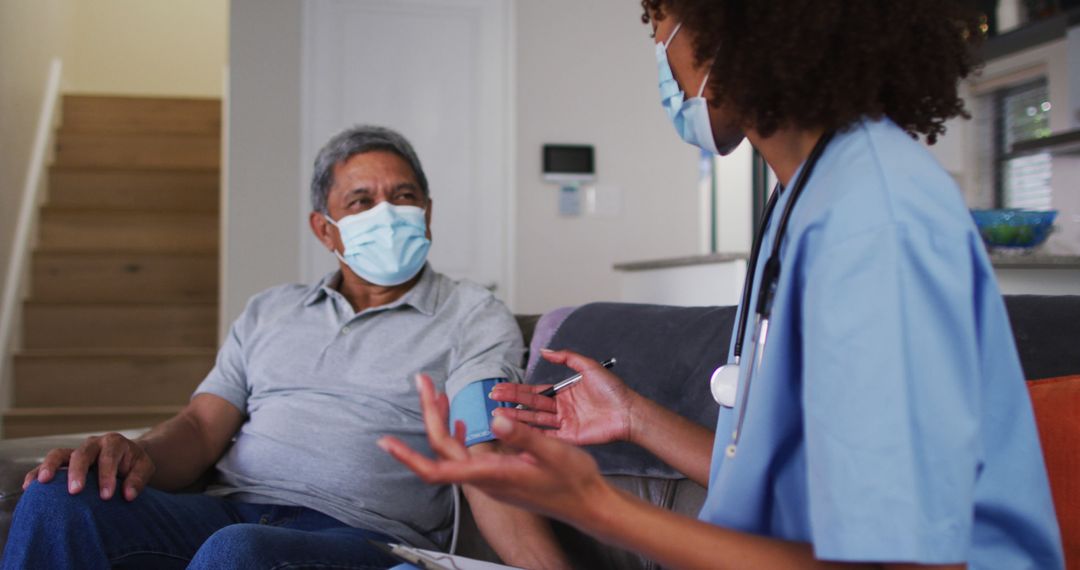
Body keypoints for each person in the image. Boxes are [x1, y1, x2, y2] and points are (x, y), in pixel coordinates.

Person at [378, 2, 1066, 569]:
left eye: (660, 26)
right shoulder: (809, 198)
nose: (663, 56)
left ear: (733, 21)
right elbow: (784, 492)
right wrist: (634, 416)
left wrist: (595, 506)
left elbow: (899, 562)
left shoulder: (874, 222)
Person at [2, 125, 568, 570]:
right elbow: (201, 429)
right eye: (361, 202)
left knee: (240, 552)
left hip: (361, 536)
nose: (387, 214)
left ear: (428, 212)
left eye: (403, 197)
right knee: (57, 501)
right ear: (325, 230)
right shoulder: (269, 309)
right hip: (227, 509)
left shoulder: (471, 312)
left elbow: (482, 452)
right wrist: (139, 453)